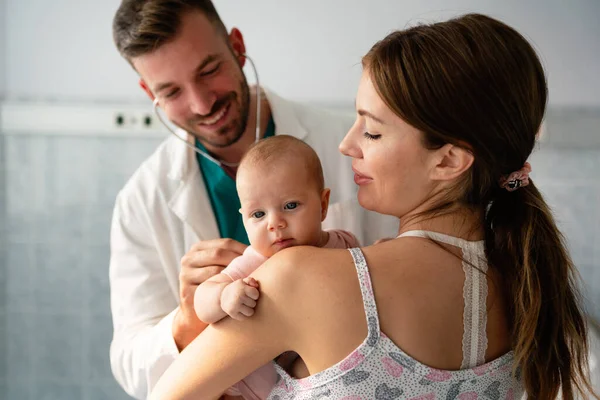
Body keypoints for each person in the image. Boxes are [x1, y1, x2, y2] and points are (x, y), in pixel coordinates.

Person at [148, 13, 599, 400]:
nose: (347, 145)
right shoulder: (528, 279)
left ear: (449, 160)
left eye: (373, 131)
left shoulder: (299, 278)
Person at [109, 0, 396, 398]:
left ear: (238, 47)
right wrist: (189, 318)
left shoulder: (348, 145)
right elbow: (130, 365)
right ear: (148, 92)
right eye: (171, 91)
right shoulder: (141, 201)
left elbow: (405, 273)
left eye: (209, 71)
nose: (202, 104)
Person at [195, 135, 360, 399]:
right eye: (258, 214)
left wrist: (382, 253)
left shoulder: (343, 243)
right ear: (244, 218)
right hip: (260, 386)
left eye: (290, 206)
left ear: (323, 205)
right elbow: (202, 301)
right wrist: (225, 296)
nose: (275, 223)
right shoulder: (255, 263)